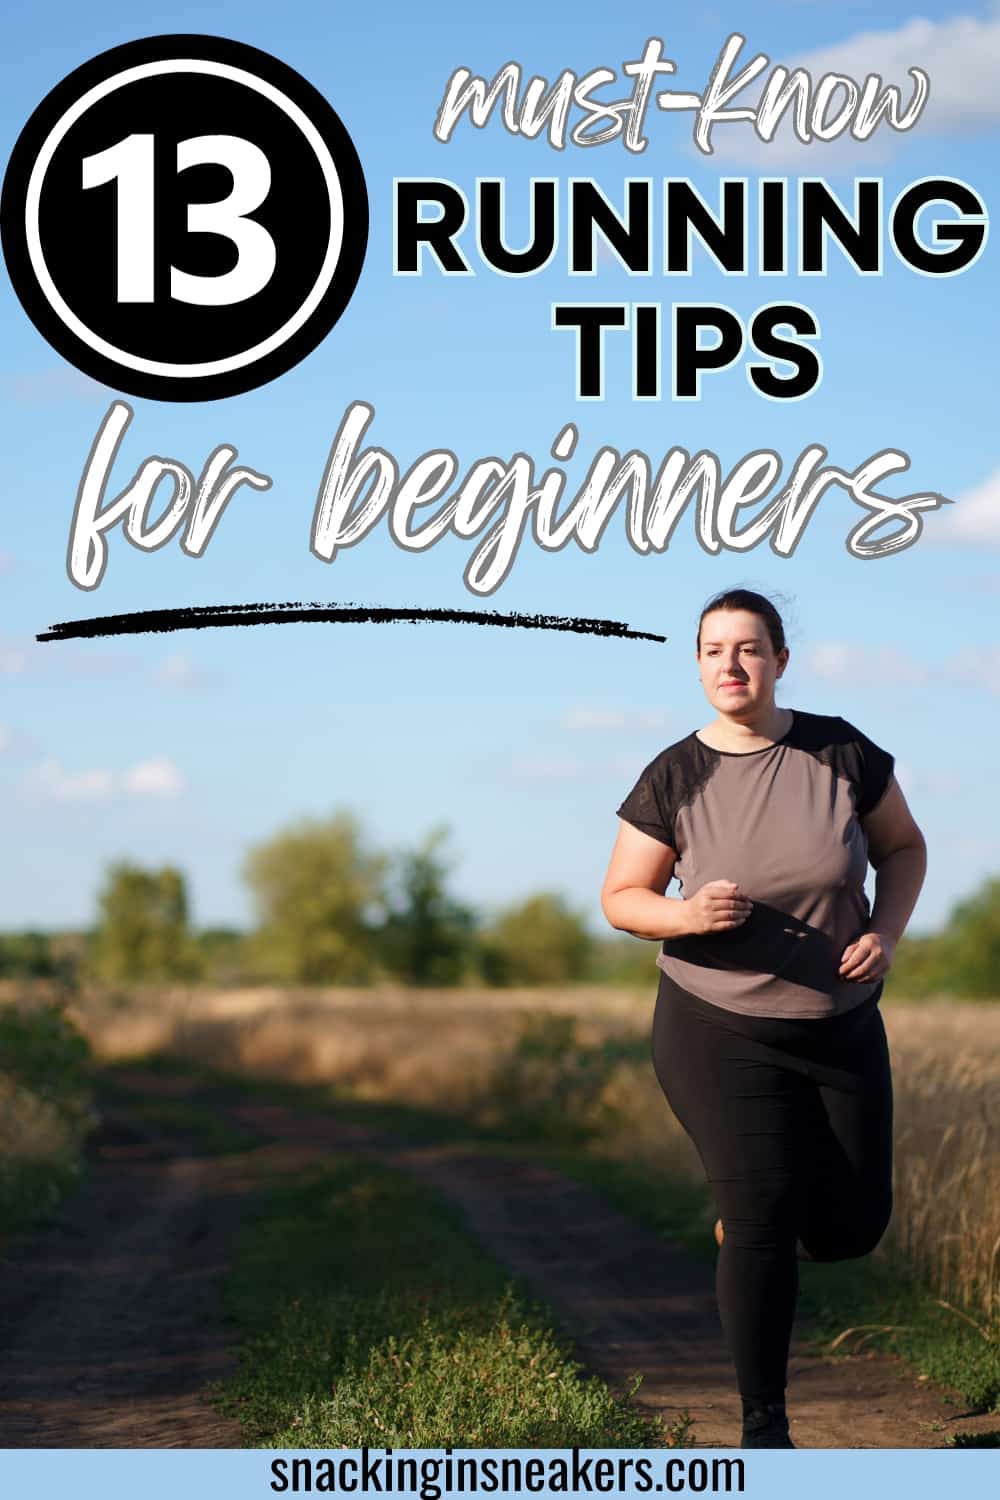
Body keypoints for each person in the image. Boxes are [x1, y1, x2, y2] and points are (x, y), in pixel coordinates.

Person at [601, 588, 927, 1450]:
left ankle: (761, 1221)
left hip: (841, 1021)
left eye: (749, 649)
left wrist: (884, 933)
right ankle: (765, 1430)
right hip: (716, 1027)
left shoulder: (841, 751)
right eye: (714, 650)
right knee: (759, 1222)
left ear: (781, 660)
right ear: (699, 665)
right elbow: (622, 898)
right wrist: (685, 916)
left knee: (855, 1228)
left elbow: (903, 848)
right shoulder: (674, 774)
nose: (731, 665)